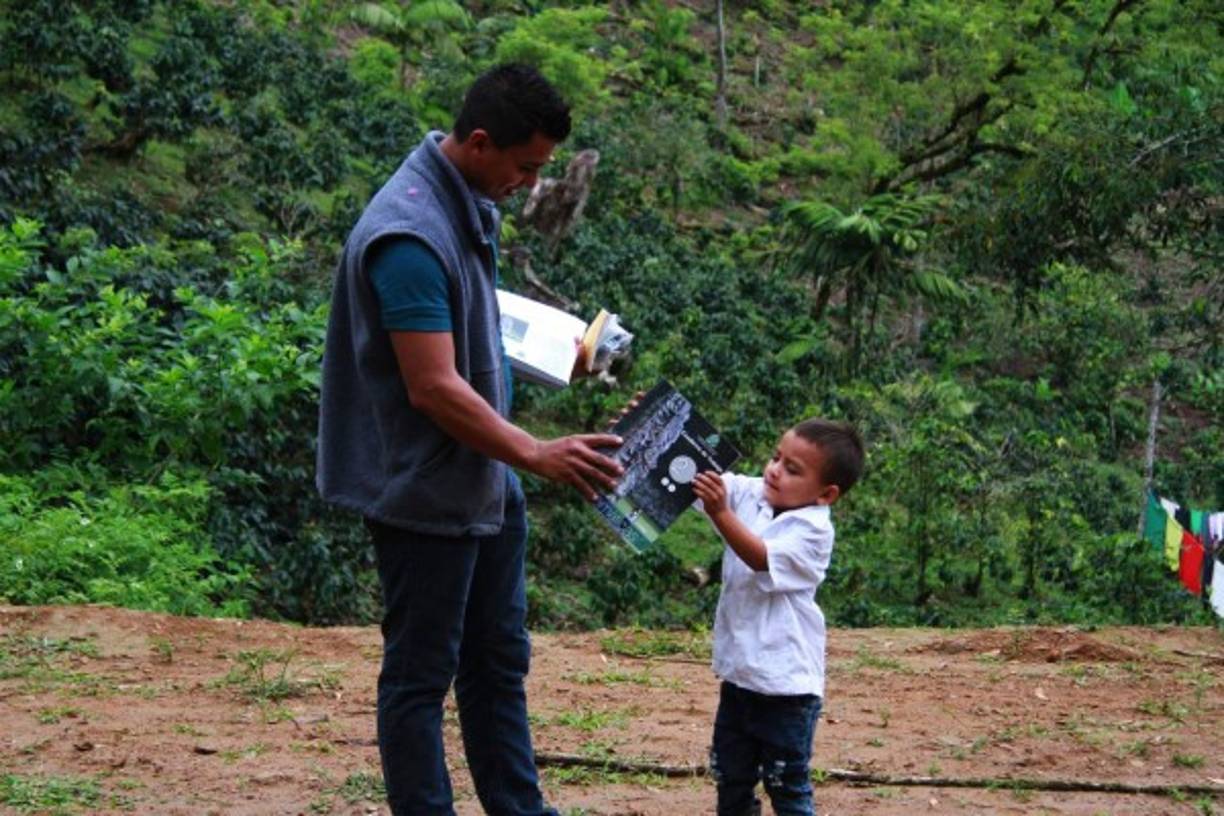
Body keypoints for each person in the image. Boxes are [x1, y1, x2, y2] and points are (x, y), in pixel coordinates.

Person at [316, 64, 623, 815]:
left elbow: (466, 324)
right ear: (481, 143)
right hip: (426, 492)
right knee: (420, 677)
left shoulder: (467, 200)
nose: (532, 183)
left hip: (484, 480)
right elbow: (431, 386)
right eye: (527, 166)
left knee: (496, 663)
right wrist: (537, 452)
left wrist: (555, 356)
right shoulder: (409, 237)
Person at [691, 419, 865, 816]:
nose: (774, 470)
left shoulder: (814, 532)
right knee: (730, 776)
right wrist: (641, 429)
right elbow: (697, 478)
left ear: (826, 494)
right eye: (776, 457)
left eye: (792, 469)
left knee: (786, 784)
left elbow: (759, 558)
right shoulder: (754, 493)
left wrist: (720, 512)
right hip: (740, 677)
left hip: (787, 689)